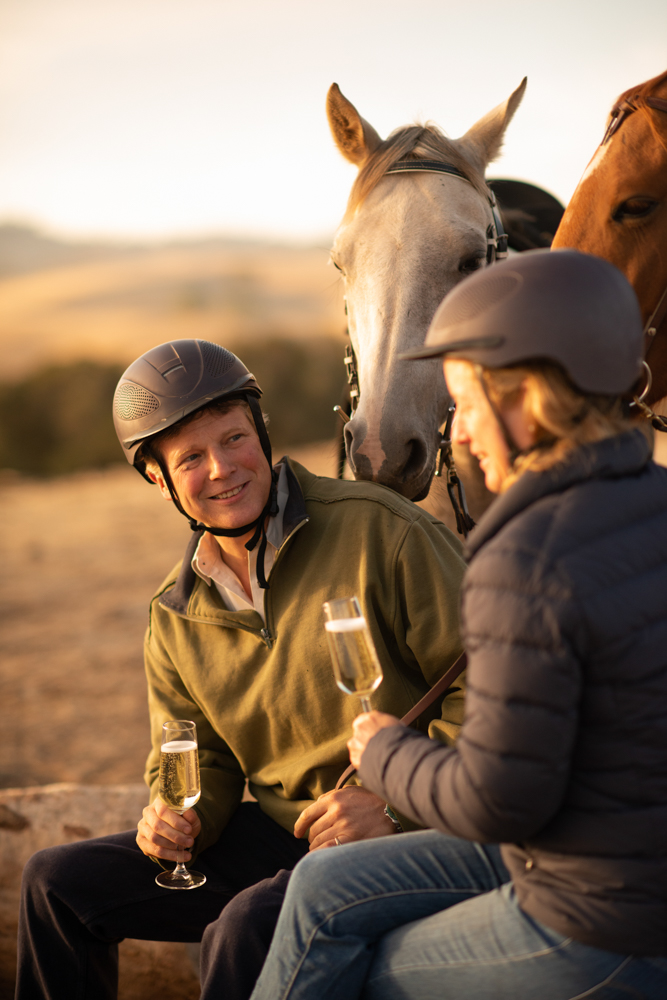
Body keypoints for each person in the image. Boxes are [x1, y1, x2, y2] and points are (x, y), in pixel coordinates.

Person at [248, 249, 667, 1000]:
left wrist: (385, 755)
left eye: (466, 406)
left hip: (603, 916)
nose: (461, 436)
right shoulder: (652, 494)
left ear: (526, 402)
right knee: (320, 888)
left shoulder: (527, 555)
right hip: (595, 843)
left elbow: (498, 802)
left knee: (365, 972)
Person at [15, 339, 467, 1000]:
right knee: (55, 883)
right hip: (293, 835)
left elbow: (490, 692)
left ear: (261, 431)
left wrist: (396, 807)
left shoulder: (382, 532)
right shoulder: (174, 613)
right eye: (191, 458)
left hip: (412, 830)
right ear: (158, 479)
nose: (222, 469)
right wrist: (176, 817)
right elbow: (198, 760)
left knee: (243, 926)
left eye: (234, 439)